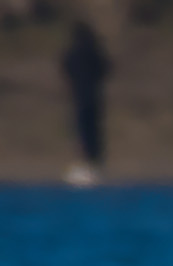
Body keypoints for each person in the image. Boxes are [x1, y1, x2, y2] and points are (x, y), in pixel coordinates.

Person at [61, 21, 110, 185]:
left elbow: (65, 67)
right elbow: (105, 69)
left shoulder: (74, 53)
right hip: (93, 98)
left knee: (83, 131)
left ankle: (87, 164)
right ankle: (92, 164)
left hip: (80, 98)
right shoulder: (93, 52)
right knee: (92, 132)